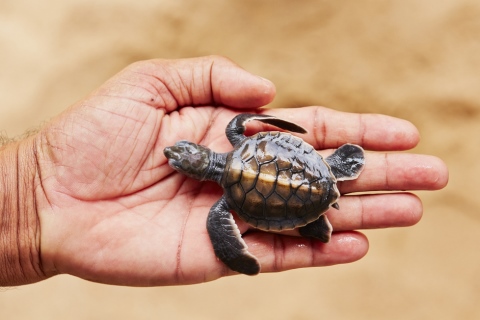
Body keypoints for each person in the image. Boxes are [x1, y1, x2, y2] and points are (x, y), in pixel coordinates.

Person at [0, 56, 448, 287]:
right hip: (285, 159)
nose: (180, 156)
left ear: (199, 168)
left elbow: (227, 235)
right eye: (184, 156)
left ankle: (318, 214)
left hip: (274, 182)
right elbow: (264, 129)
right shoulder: (240, 136)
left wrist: (31, 192)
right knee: (314, 187)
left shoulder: (224, 206)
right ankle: (325, 190)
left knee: (297, 216)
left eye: (184, 155)